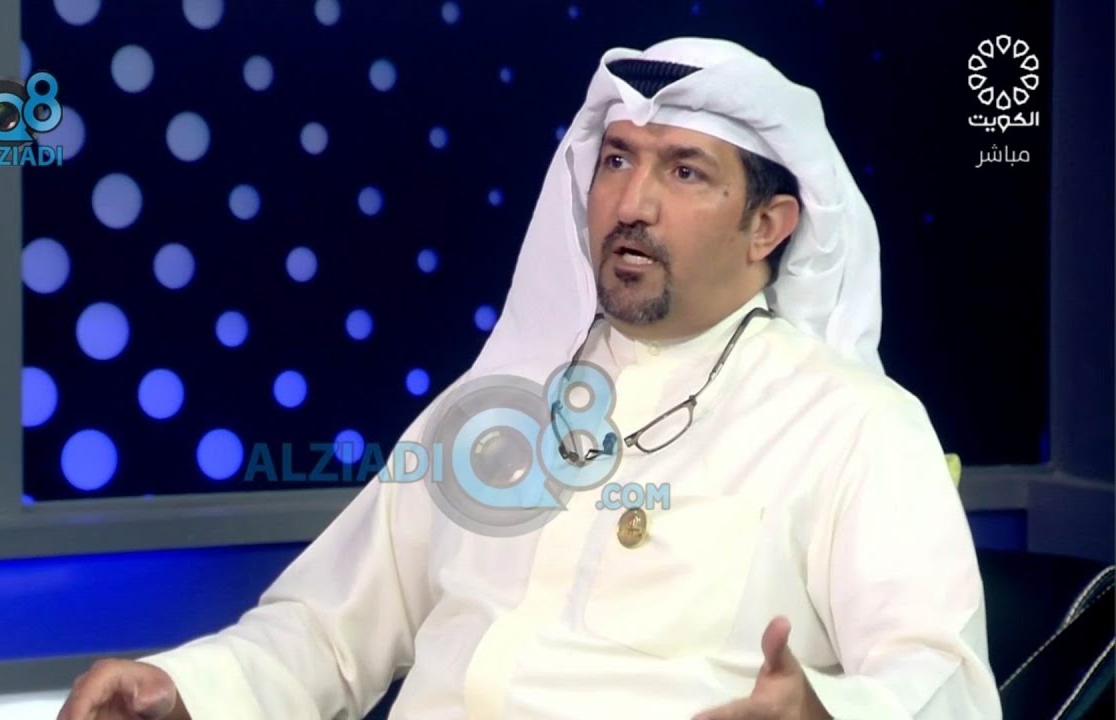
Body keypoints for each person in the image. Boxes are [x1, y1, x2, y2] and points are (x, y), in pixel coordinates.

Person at [58, 37, 1002, 720]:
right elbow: (330, 630)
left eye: (685, 172)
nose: (631, 204)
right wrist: (188, 686)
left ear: (769, 226)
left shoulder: (854, 425)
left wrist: (829, 713)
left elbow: (945, 684)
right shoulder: (497, 405)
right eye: (617, 160)